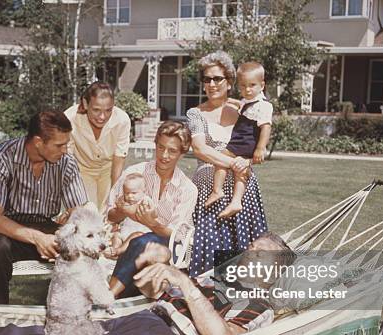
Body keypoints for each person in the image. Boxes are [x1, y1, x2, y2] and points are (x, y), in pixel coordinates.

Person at [0, 232, 295, 335]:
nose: (247, 259)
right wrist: (158, 281)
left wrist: (183, 281)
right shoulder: (214, 282)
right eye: (249, 251)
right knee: (38, 331)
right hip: (142, 319)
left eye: (259, 257)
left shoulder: (257, 303)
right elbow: (160, 298)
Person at [0, 110, 88, 304]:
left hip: (46, 225)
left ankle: (74, 312)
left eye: (66, 144)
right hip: (7, 228)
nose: (65, 151)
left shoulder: (66, 163)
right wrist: (37, 238)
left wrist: (74, 226)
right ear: (38, 142)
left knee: (83, 245)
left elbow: (79, 211)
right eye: (59, 145)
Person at [186, 51, 269, 278]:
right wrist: (235, 163)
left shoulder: (245, 108)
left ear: (230, 81)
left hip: (243, 190)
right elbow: (200, 149)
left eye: (217, 79)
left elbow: (256, 139)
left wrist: (248, 160)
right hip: (209, 188)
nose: (212, 84)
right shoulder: (195, 114)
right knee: (212, 248)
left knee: (248, 251)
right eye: (207, 79)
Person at [104, 120, 198, 298]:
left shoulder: (187, 189)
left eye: (172, 151)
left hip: (166, 245)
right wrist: (123, 211)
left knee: (141, 242)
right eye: (161, 147)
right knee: (137, 243)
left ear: (182, 153)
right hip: (129, 241)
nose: (164, 155)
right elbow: (110, 214)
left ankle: (109, 296)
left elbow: (176, 235)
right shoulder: (134, 173)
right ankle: (120, 299)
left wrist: (151, 224)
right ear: (155, 144)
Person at [205, 62, 273, 218]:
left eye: (252, 85)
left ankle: (217, 190)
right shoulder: (249, 102)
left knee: (221, 158)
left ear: (262, 85)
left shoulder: (264, 106)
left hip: (245, 140)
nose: (247, 90)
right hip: (243, 140)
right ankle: (236, 201)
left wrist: (260, 148)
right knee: (240, 170)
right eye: (243, 86)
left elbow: (266, 127)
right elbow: (243, 106)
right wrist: (233, 102)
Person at [64, 82, 131, 212]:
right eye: (96, 110)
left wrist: (114, 195)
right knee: (88, 213)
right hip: (82, 170)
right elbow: (67, 159)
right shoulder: (69, 118)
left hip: (109, 169)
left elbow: (118, 161)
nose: (102, 117)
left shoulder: (122, 120)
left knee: (107, 214)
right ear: (85, 103)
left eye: (108, 110)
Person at [106, 173, 153, 258]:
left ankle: (119, 251)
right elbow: (117, 212)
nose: (130, 196)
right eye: (127, 193)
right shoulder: (124, 201)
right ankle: (114, 250)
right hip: (125, 231)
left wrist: (148, 210)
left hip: (139, 232)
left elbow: (154, 213)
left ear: (144, 191)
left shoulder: (146, 201)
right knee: (116, 235)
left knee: (136, 235)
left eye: (134, 193)